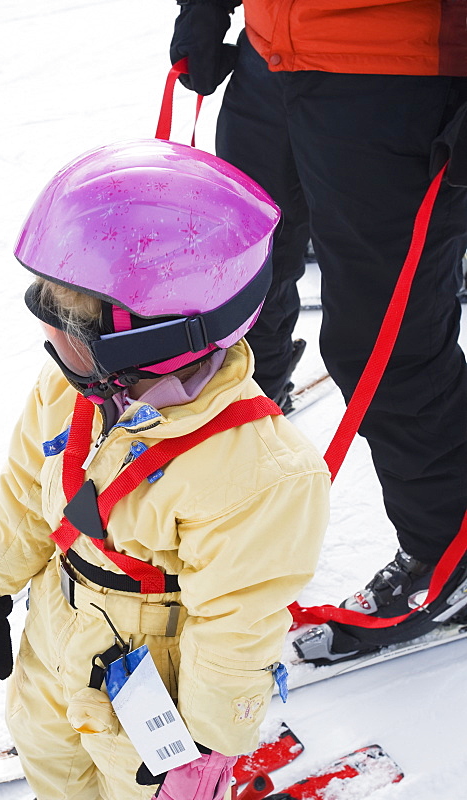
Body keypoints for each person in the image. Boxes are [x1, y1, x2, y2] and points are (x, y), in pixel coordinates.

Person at [0, 137, 330, 800]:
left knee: (149, 770)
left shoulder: (257, 471)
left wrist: (215, 745)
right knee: (43, 730)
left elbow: (237, 628)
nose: (49, 339)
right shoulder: (70, 394)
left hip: (157, 654)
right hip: (64, 615)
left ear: (148, 342)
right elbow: (23, 494)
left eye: (69, 325)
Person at [169, 0, 467, 662]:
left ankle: (449, 556)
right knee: (227, 289)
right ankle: (235, 447)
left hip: (395, 74)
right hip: (267, 58)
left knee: (384, 341)